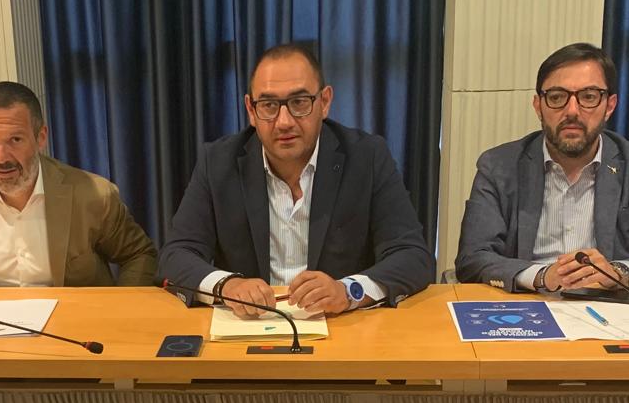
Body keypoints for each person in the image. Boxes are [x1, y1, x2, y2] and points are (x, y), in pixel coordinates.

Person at [158, 42, 433, 316]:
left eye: (299, 103)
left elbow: (412, 256)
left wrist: (348, 291)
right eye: (269, 105)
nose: (284, 122)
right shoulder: (218, 162)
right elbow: (176, 255)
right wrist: (227, 285)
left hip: (341, 326)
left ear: (324, 102)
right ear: (251, 110)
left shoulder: (367, 157)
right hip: (248, 325)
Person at [454, 43, 629, 292]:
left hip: (611, 304)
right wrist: (542, 276)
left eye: (588, 97)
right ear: (538, 106)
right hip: (529, 302)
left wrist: (616, 273)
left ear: (609, 106)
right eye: (557, 97)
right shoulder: (498, 166)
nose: (572, 111)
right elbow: (473, 258)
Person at [0, 81, 156, 287]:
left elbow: (139, 255)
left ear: (41, 137)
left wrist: (120, 314)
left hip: (70, 323)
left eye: (15, 140)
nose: (1, 158)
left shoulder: (94, 196)